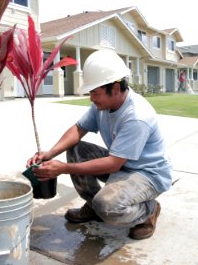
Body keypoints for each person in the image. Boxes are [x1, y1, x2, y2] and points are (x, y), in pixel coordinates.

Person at [27, 49, 172, 240]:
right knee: (76, 149)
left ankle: (148, 210)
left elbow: (114, 164)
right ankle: (94, 206)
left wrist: (63, 168)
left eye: (95, 93)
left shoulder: (137, 116)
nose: (91, 98)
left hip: (147, 174)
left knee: (108, 207)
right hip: (123, 163)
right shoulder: (103, 105)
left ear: (116, 88)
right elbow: (78, 129)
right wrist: (50, 154)